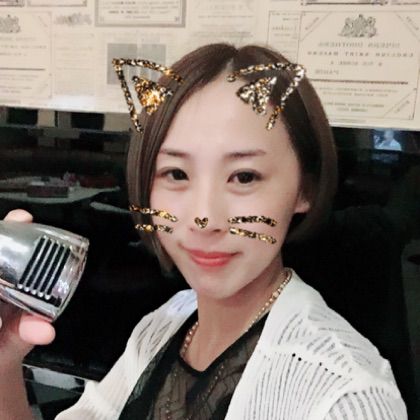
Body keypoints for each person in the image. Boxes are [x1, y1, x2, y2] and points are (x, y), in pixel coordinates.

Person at [0, 43, 407, 419]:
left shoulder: (345, 397)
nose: (204, 217)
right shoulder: (165, 327)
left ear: (305, 189)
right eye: (176, 174)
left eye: (244, 177)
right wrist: (4, 361)